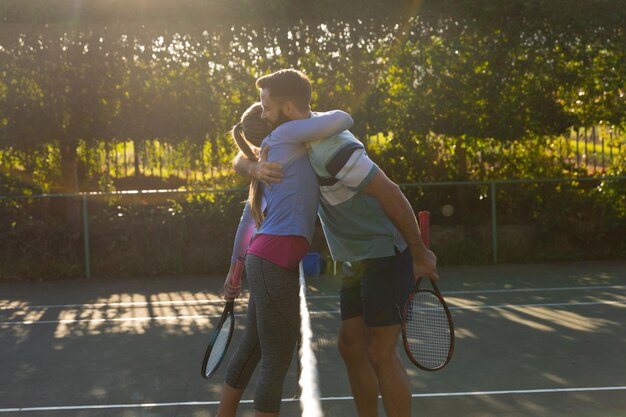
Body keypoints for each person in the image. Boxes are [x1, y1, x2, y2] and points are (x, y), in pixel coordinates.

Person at [234, 69, 438, 417]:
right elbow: (242, 155)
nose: (262, 113)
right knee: (349, 345)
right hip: (354, 259)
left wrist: (419, 253)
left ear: (286, 108)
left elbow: (390, 192)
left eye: (267, 107)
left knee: (380, 352)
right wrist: (253, 168)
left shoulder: (333, 149)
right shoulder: (295, 138)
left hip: (385, 252)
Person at [217, 100, 353, 417]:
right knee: (276, 358)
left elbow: (247, 220)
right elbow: (343, 118)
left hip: (264, 262)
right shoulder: (285, 137)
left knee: (253, 348)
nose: (270, 109)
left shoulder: (270, 156)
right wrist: (303, 113)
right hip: (272, 263)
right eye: (266, 108)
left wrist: (235, 270)